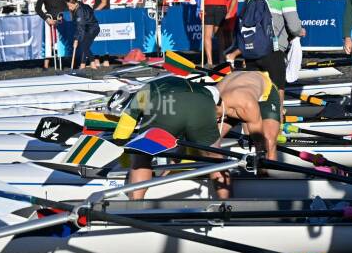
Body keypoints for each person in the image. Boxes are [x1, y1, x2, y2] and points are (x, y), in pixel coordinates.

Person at [114, 71, 279, 200]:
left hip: (167, 106)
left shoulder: (145, 90)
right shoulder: (204, 91)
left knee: (142, 157)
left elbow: (125, 124)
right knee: (216, 158)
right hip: (201, 105)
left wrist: (120, 144)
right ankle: (226, 204)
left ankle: (135, 204)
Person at [227, 0, 305, 99]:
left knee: (254, 93)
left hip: (251, 49)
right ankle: (278, 118)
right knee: (277, 92)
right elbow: (294, 27)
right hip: (273, 51)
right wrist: (300, 32)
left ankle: (253, 119)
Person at [36, 0, 70, 69]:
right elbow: (38, 8)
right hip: (50, 20)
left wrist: (64, 16)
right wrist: (47, 19)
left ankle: (65, 60)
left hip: (62, 19)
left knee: (64, 40)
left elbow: (67, 5)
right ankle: (46, 64)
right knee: (49, 42)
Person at [65, 0, 100, 71]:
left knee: (84, 46)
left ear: (75, 3)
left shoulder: (79, 11)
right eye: (68, 6)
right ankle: (83, 64)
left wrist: (76, 39)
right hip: (91, 27)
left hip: (92, 28)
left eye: (70, 6)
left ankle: (92, 63)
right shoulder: (82, 5)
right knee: (84, 44)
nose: (69, 8)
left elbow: (80, 27)